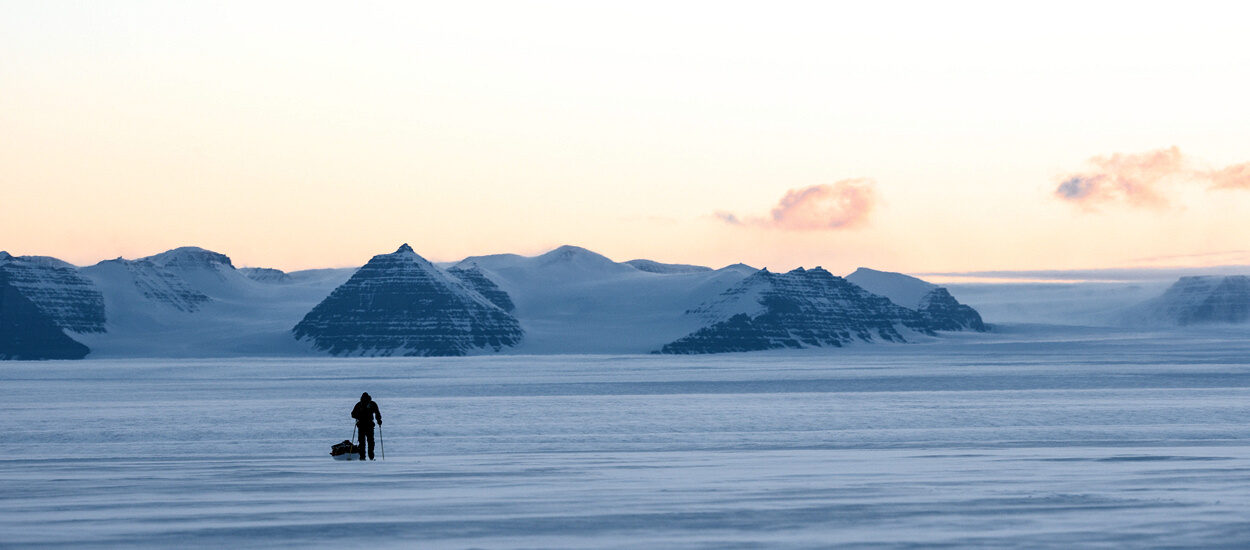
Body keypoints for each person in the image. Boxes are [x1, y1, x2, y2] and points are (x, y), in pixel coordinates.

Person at [351, 392, 382, 460]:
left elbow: (353, 414)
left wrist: (379, 420)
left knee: (363, 442)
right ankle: (369, 456)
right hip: (367, 425)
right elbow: (377, 413)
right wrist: (379, 421)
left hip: (364, 425)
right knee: (369, 442)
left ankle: (363, 457)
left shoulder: (360, 404)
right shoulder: (371, 404)